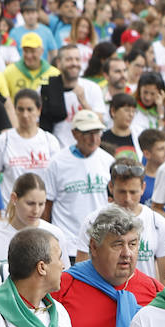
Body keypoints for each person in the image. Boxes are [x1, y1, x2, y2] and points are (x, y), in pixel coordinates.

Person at [42, 108, 114, 256]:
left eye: (97, 133)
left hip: (101, 243)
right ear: (74, 134)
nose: (93, 139)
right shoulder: (56, 163)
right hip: (67, 245)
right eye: (88, 133)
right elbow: (47, 205)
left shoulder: (108, 161)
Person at [0, 88, 61, 190]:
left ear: (39, 110)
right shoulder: (3, 140)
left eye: (29, 109)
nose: (25, 115)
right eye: (20, 109)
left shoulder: (50, 141)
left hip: (40, 203)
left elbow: (57, 177)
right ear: (15, 110)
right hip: (11, 203)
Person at [0, 172, 67, 260]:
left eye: (41, 204)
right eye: (30, 203)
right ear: (14, 198)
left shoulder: (55, 233)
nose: (36, 211)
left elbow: (63, 271)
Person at [39, 43, 105, 142]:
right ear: (58, 63)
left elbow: (100, 122)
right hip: (57, 149)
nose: (74, 63)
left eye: (77, 59)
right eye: (69, 59)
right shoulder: (46, 88)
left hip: (85, 148)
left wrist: (84, 102)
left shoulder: (92, 88)